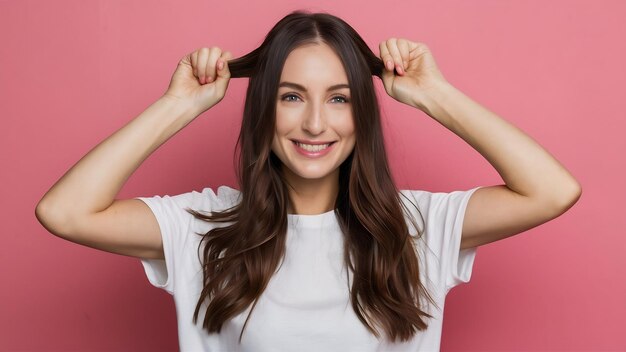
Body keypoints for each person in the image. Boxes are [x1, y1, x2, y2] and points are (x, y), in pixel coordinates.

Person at [35, 9, 581, 352]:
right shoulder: (204, 229)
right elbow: (65, 212)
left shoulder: (415, 227)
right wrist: (179, 104)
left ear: (361, 113)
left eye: (339, 98)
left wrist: (432, 94)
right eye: (291, 96)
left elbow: (552, 191)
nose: (316, 123)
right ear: (263, 109)